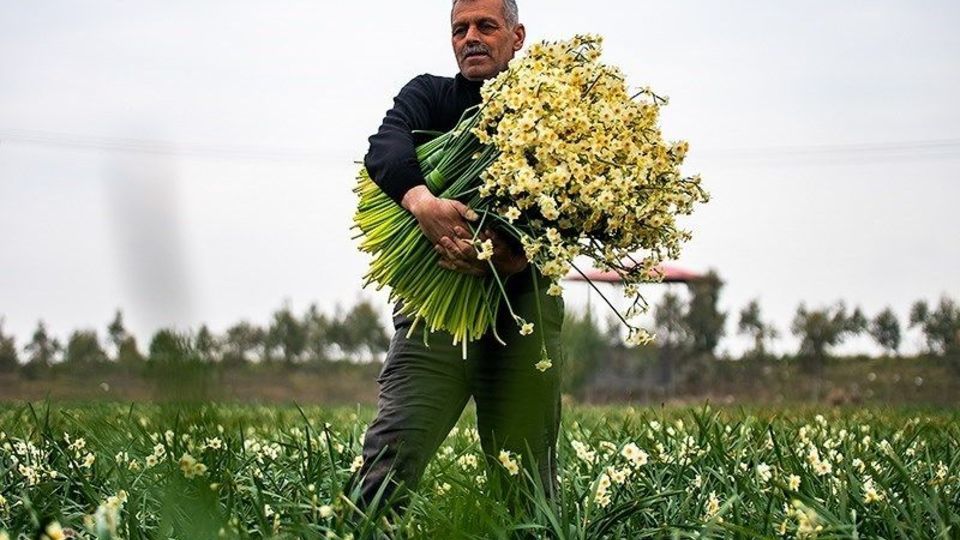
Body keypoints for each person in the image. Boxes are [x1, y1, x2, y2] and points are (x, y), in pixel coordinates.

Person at [346, 0, 565, 520]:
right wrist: (423, 205)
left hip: (521, 313)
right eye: (460, 28)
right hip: (432, 311)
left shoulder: (555, 120)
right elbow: (385, 147)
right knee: (390, 460)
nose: (471, 37)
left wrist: (509, 258)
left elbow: (569, 221)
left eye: (486, 26)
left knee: (526, 483)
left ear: (517, 36)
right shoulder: (430, 95)